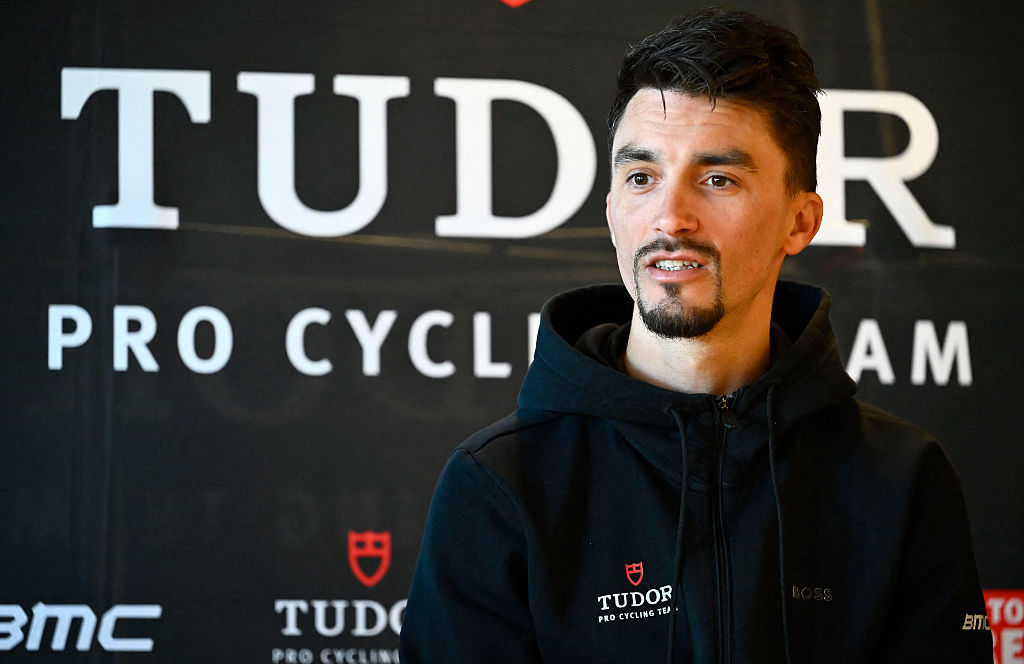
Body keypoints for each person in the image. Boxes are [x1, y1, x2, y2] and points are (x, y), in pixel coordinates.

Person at [400, 8, 991, 663]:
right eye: (641, 177)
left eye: (718, 179)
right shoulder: (501, 485)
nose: (670, 217)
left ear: (801, 221)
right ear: (611, 209)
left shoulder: (900, 480)